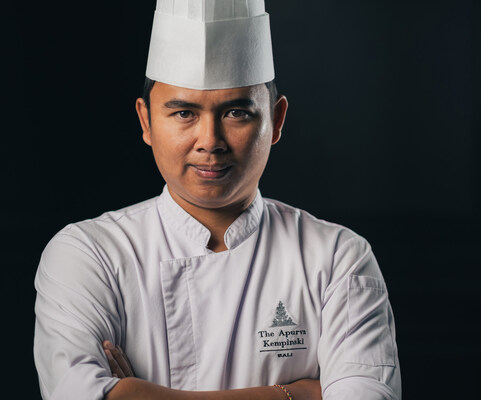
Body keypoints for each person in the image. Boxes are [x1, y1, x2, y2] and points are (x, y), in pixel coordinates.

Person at [33, 1, 401, 399]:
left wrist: (134, 392)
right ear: (146, 121)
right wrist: (295, 394)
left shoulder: (337, 258)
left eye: (236, 112)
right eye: (184, 113)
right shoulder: (88, 253)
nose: (210, 142)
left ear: (276, 120)